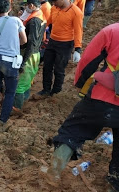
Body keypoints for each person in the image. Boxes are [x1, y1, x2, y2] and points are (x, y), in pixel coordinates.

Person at [49, 23, 119, 189]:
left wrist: (80, 82)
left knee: (72, 131)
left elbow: (88, 59)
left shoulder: (112, 31)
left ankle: (53, 172)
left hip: (101, 97)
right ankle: (114, 183)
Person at [0, 0, 27, 127]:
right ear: (9, 8)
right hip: (11, 62)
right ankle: (2, 120)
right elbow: (24, 40)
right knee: (10, 92)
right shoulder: (17, 21)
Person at [35, 0, 83, 99]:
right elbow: (49, 21)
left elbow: (78, 31)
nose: (54, 4)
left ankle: (55, 92)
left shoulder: (76, 12)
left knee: (59, 69)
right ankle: (46, 89)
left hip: (65, 44)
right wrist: (40, 29)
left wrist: (77, 49)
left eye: (55, 1)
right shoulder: (54, 8)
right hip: (52, 41)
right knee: (47, 67)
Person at [14, 0, 46, 111]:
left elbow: (31, 43)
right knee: (27, 81)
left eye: (27, 5)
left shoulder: (33, 22)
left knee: (19, 85)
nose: (25, 8)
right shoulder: (41, 15)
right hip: (35, 53)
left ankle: (16, 107)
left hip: (29, 54)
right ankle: (24, 101)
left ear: (32, 5)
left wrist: (23, 62)